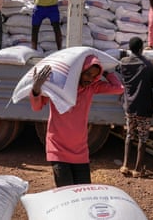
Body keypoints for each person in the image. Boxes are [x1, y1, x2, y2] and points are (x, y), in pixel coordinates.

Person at [30, 55, 124, 187]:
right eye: (88, 74)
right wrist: (36, 89)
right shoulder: (58, 87)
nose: (90, 79)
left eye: (94, 76)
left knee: (83, 192)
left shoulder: (92, 88)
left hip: (80, 151)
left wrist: (108, 73)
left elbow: (119, 88)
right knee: (67, 192)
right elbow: (36, 107)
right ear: (80, 71)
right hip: (58, 149)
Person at [119, 37, 153, 178]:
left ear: (130, 48)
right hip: (144, 107)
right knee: (143, 137)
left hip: (129, 105)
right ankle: (137, 169)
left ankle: (125, 165)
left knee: (130, 134)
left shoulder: (124, 63)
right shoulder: (149, 65)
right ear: (141, 48)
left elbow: (120, 71)